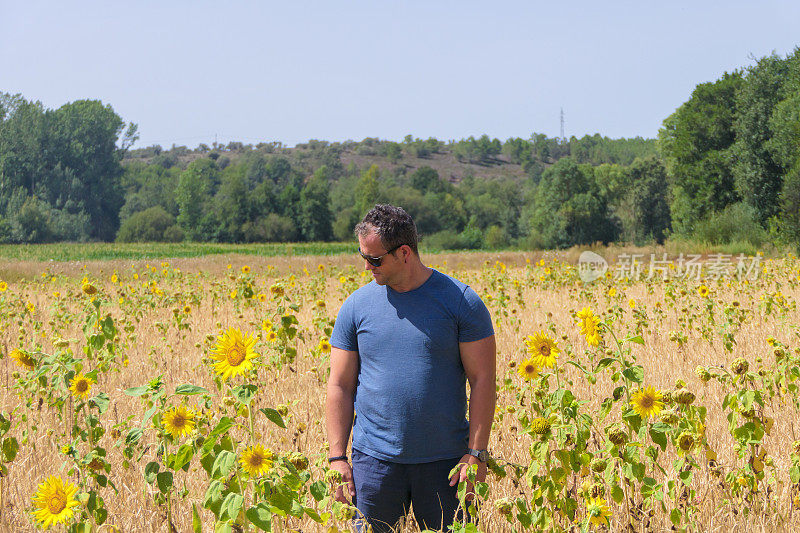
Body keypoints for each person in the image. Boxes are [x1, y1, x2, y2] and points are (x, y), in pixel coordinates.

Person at [325, 204, 496, 532]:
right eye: (362, 256)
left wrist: (476, 453)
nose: (366, 266)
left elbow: (483, 380)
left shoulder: (461, 302)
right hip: (374, 464)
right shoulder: (356, 307)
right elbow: (339, 386)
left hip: (445, 464)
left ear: (404, 252)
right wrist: (337, 457)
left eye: (374, 259)